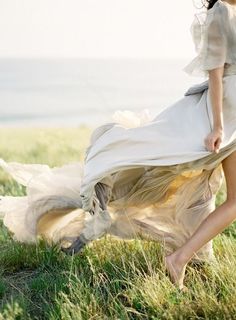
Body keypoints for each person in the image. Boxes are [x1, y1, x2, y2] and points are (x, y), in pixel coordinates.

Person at [0, 0, 236, 291]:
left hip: (231, 118)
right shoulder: (221, 11)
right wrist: (218, 126)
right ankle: (171, 253)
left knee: (205, 185)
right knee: (150, 173)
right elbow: (215, 70)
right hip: (222, 118)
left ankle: (188, 256)